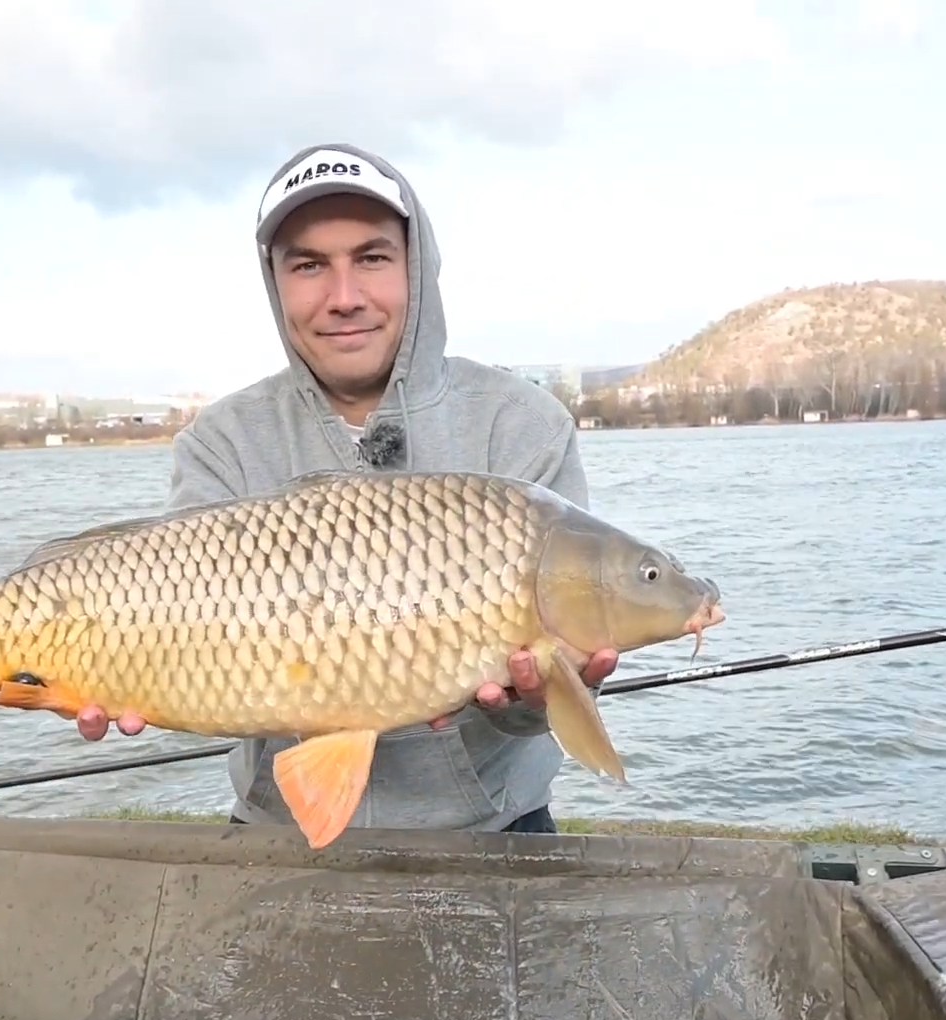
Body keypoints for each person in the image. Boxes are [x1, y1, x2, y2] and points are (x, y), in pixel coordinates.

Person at [72, 142, 619, 835]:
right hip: (278, 832)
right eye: (309, 266)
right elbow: (197, 652)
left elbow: (535, 699)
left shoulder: (521, 424)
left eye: (372, 258)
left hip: (494, 828)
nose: (344, 297)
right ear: (275, 283)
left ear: (416, 268)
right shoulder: (223, 439)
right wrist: (96, 673)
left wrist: (542, 692)